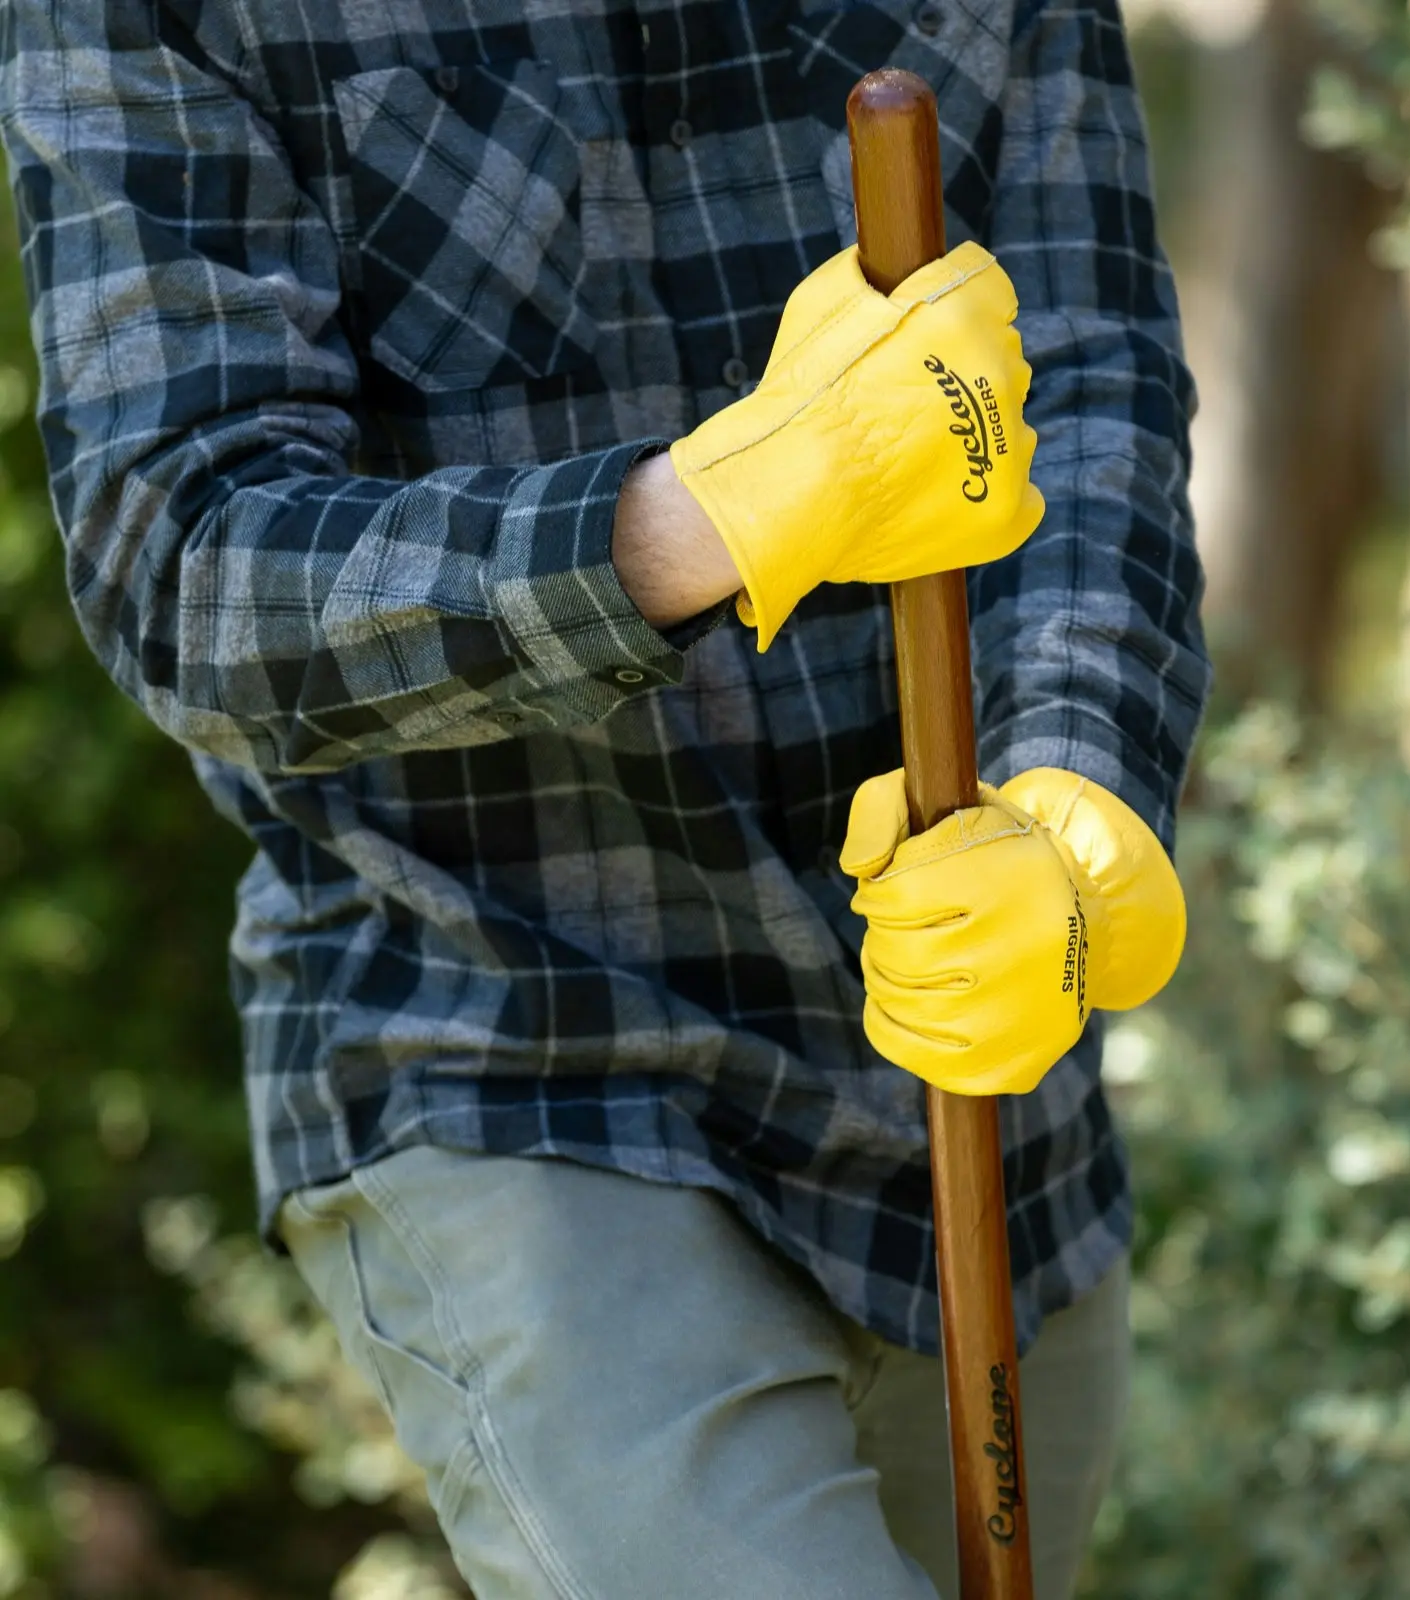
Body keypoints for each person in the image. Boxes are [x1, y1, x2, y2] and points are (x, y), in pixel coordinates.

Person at [0, 3, 1209, 1595]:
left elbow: (1093, 372)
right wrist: (702, 520)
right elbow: (186, 567)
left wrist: (1074, 798)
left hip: (975, 1093)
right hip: (516, 1045)